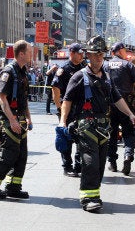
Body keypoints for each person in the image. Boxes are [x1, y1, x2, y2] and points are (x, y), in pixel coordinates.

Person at [58, 36, 135, 212]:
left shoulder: (107, 77)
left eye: (101, 54)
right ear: (88, 55)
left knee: (100, 163)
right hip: (85, 126)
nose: (99, 58)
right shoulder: (79, 76)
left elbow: (117, 99)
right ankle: (88, 198)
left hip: (103, 128)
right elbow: (67, 100)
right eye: (95, 54)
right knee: (90, 161)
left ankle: (94, 193)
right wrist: (63, 121)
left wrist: (131, 113)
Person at [0, 40, 33, 200]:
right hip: (9, 121)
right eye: (30, 51)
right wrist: (12, 120)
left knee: (21, 155)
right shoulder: (9, 72)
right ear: (21, 53)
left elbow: (22, 99)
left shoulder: (23, 72)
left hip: (21, 119)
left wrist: (28, 118)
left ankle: (13, 186)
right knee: (9, 153)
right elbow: (2, 98)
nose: (32, 54)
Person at [104, 42, 135, 175]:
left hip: (110, 106)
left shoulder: (105, 65)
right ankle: (128, 155)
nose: (126, 53)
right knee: (128, 132)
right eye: (124, 51)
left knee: (111, 133)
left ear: (112, 53)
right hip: (127, 104)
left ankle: (112, 162)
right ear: (120, 51)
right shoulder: (127, 65)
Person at [52, 42, 86, 177]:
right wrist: (60, 108)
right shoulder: (64, 69)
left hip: (81, 109)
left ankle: (79, 165)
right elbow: (55, 88)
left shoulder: (84, 67)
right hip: (67, 109)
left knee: (81, 137)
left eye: (83, 53)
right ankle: (67, 166)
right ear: (72, 53)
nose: (82, 55)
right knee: (66, 138)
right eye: (79, 53)